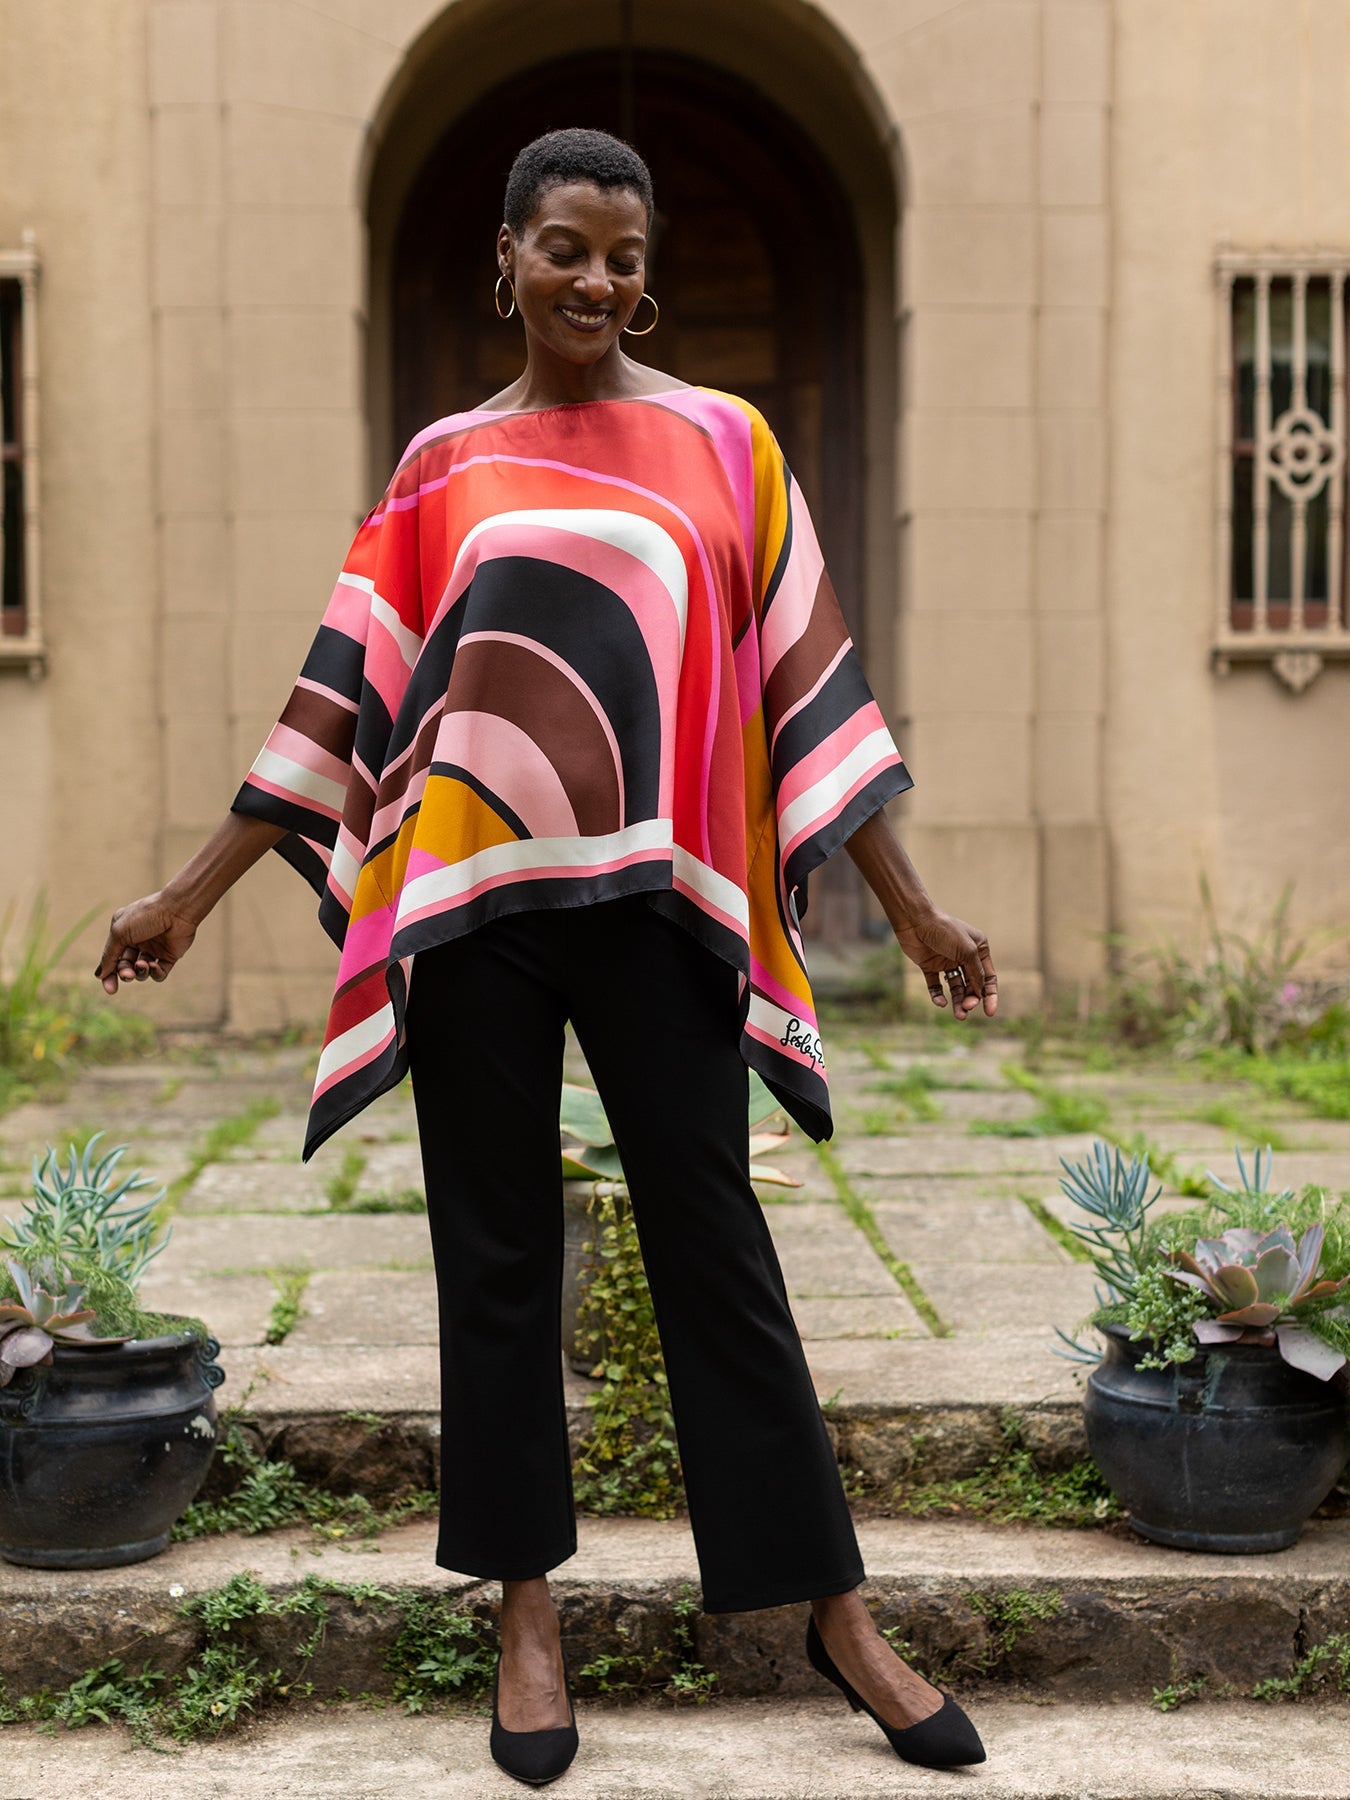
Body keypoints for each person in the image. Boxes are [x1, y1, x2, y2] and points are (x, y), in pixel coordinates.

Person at [97, 128, 997, 1787]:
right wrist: (189, 893)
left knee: (716, 1248)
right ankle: (526, 1614)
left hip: (662, 903)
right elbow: (343, 695)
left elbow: (805, 689)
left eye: (622, 255)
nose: (596, 278)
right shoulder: (442, 466)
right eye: (566, 247)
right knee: (493, 1259)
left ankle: (835, 1611)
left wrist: (918, 909)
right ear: (504, 258)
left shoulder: (726, 443)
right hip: (480, 916)